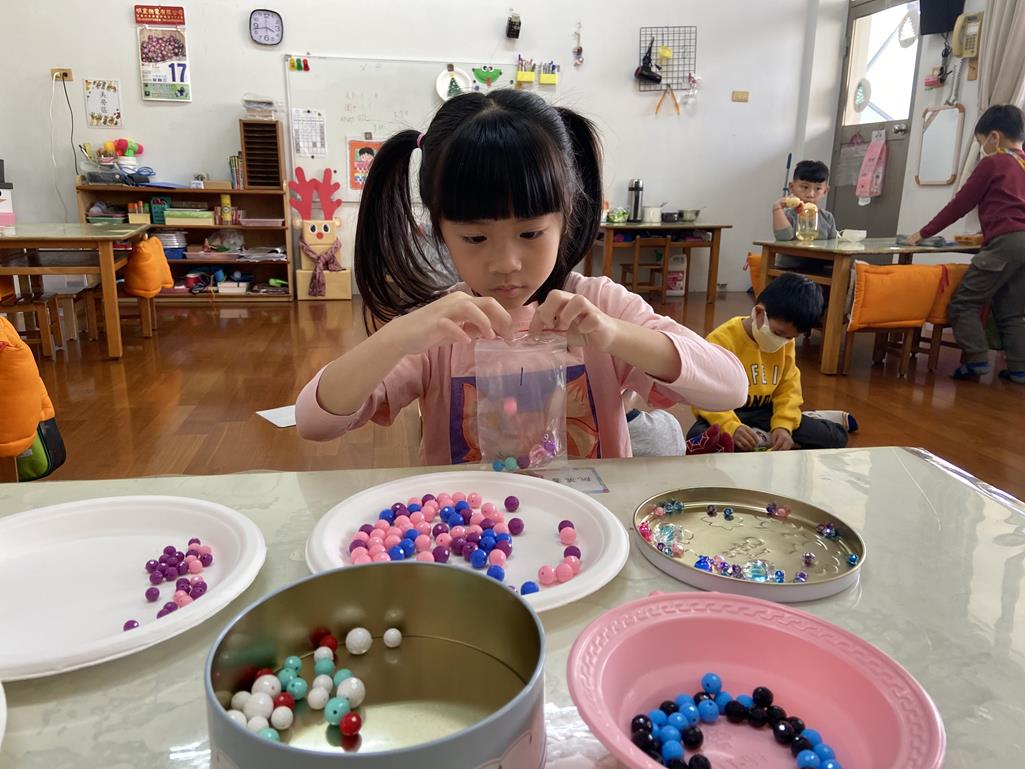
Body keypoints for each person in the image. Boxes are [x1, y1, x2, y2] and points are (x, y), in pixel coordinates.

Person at [296, 90, 748, 464]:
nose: (506, 263)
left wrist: (613, 335)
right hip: (471, 534)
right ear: (441, 231)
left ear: (566, 218)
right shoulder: (440, 328)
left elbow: (731, 386)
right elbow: (314, 423)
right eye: (475, 238)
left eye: (530, 233)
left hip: (589, 529)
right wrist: (396, 338)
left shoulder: (601, 307)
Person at [906, 104, 1025, 383]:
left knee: (964, 302)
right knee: (1011, 310)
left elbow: (960, 204)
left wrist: (923, 232)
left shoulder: (993, 163)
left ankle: (975, 360)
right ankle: (1019, 369)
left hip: (1006, 244)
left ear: (994, 137)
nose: (982, 148)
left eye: (981, 142)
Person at [688, 273, 856, 452]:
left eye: (790, 337)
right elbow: (704, 395)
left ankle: (771, 434)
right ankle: (764, 438)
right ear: (759, 312)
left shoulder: (786, 343)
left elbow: (788, 388)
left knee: (836, 437)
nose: (782, 341)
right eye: (778, 333)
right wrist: (731, 427)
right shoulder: (721, 341)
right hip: (730, 411)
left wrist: (783, 425)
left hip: (766, 412)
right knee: (696, 437)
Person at [771, 160, 838, 272]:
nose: (810, 194)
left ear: (825, 191)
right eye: (805, 187)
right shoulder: (788, 215)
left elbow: (833, 246)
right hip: (789, 270)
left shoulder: (827, 217)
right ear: (792, 187)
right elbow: (783, 237)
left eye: (818, 189)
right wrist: (777, 208)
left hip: (820, 270)